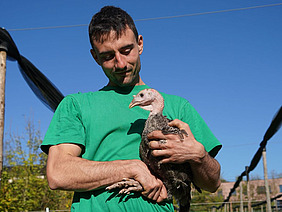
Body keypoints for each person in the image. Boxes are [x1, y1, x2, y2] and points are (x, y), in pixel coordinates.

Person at [41, 6, 222, 212]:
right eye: (108, 56)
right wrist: (131, 168)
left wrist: (198, 156)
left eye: (126, 50)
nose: (120, 63)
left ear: (140, 44)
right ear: (95, 57)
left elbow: (212, 182)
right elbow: (58, 173)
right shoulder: (76, 105)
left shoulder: (178, 106)